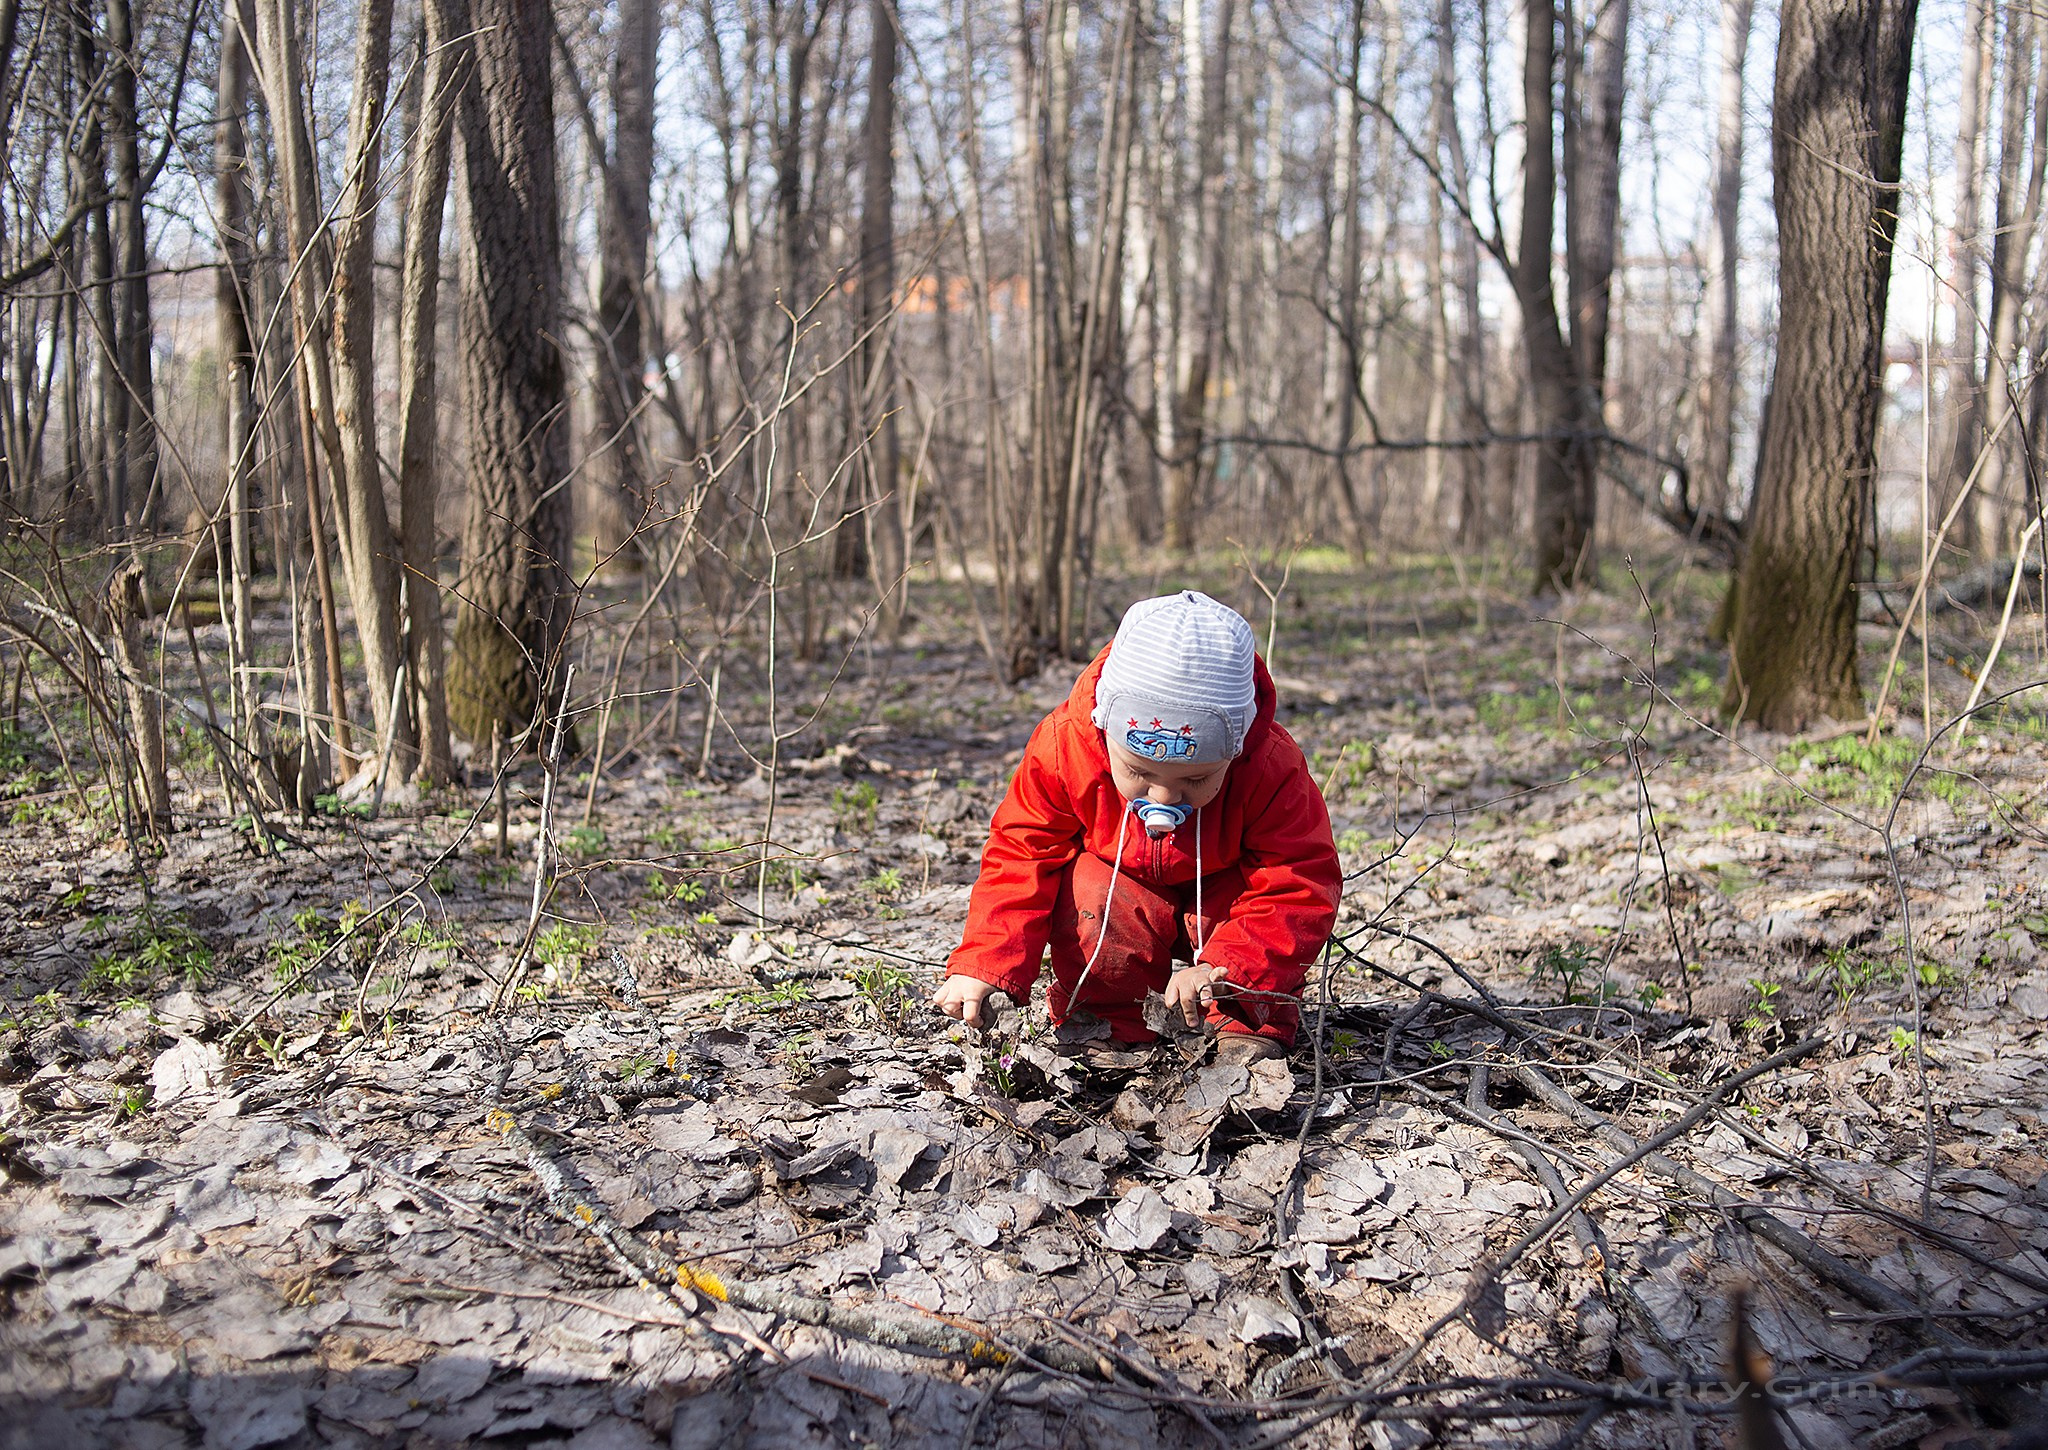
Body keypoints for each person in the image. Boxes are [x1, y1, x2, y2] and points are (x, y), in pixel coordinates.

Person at [933, 591, 1341, 1062]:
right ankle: (1109, 1018)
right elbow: (1022, 852)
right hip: (1123, 887)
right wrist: (985, 960)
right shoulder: (1066, 748)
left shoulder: (1271, 768)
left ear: (1236, 748)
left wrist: (1227, 967)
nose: (1164, 797)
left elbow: (1298, 879)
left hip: (1225, 896)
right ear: (1106, 730)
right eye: (1140, 773)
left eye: (1196, 778)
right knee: (1092, 893)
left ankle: (1241, 1016)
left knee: (1250, 914)